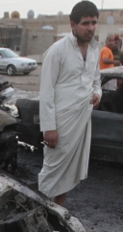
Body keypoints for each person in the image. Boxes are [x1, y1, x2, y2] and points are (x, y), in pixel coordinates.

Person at [38, 1, 101, 207]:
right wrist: (49, 128)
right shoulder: (57, 51)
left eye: (93, 23)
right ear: (73, 24)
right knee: (52, 171)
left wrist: (97, 94)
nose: (90, 28)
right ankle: (37, 215)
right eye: (85, 23)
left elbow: (96, 80)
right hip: (60, 123)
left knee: (69, 172)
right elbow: (46, 92)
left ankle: (58, 215)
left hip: (81, 121)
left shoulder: (94, 50)